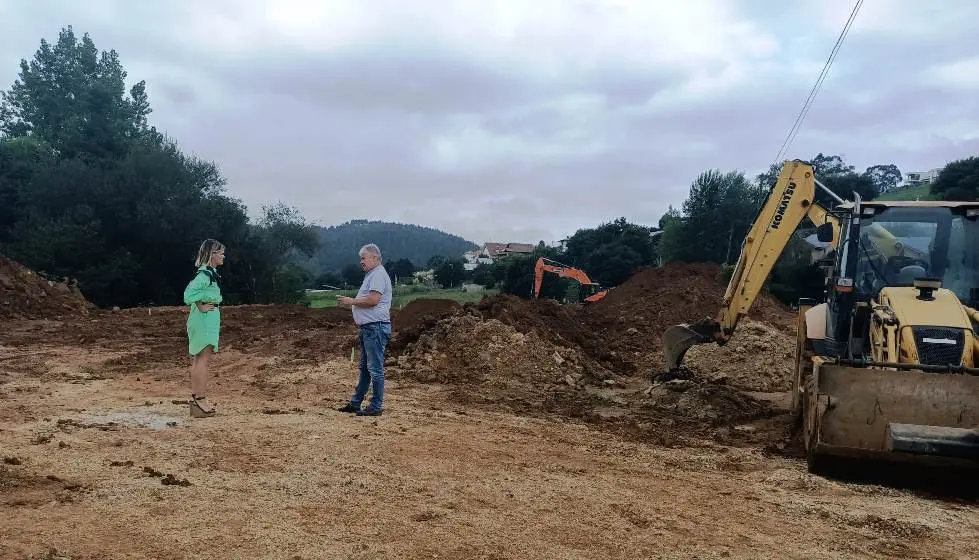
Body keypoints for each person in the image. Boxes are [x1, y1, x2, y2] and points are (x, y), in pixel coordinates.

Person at [336, 243, 393, 416]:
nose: (361, 261)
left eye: (363, 257)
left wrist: (352, 301)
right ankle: (356, 403)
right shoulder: (372, 274)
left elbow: (373, 300)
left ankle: (376, 406)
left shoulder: (377, 275)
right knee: (366, 368)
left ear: (375, 257)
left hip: (375, 328)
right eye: (360, 258)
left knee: (374, 369)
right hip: (370, 329)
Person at [183, 239, 226, 418]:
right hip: (204, 319)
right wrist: (201, 305)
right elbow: (188, 294)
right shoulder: (205, 275)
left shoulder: (209, 274)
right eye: (221, 253)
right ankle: (199, 399)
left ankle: (198, 399)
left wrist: (201, 304)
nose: (223, 256)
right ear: (212, 254)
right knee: (202, 360)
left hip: (206, 318)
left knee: (199, 359)